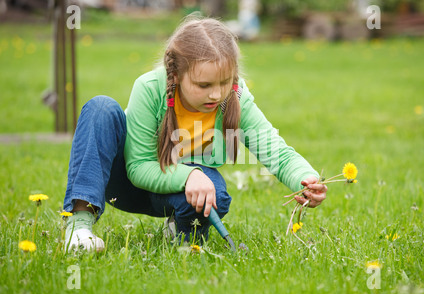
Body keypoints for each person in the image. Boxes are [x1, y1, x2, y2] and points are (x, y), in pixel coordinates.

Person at [63, 16, 327, 252]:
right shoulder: (149, 88)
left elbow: (275, 150)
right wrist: (190, 174)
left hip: (176, 189)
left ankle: (183, 233)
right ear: (175, 75)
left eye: (225, 82)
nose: (216, 93)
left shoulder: (233, 97)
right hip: (123, 183)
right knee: (101, 107)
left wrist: (304, 178)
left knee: (218, 195)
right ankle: (79, 229)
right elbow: (139, 167)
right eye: (204, 85)